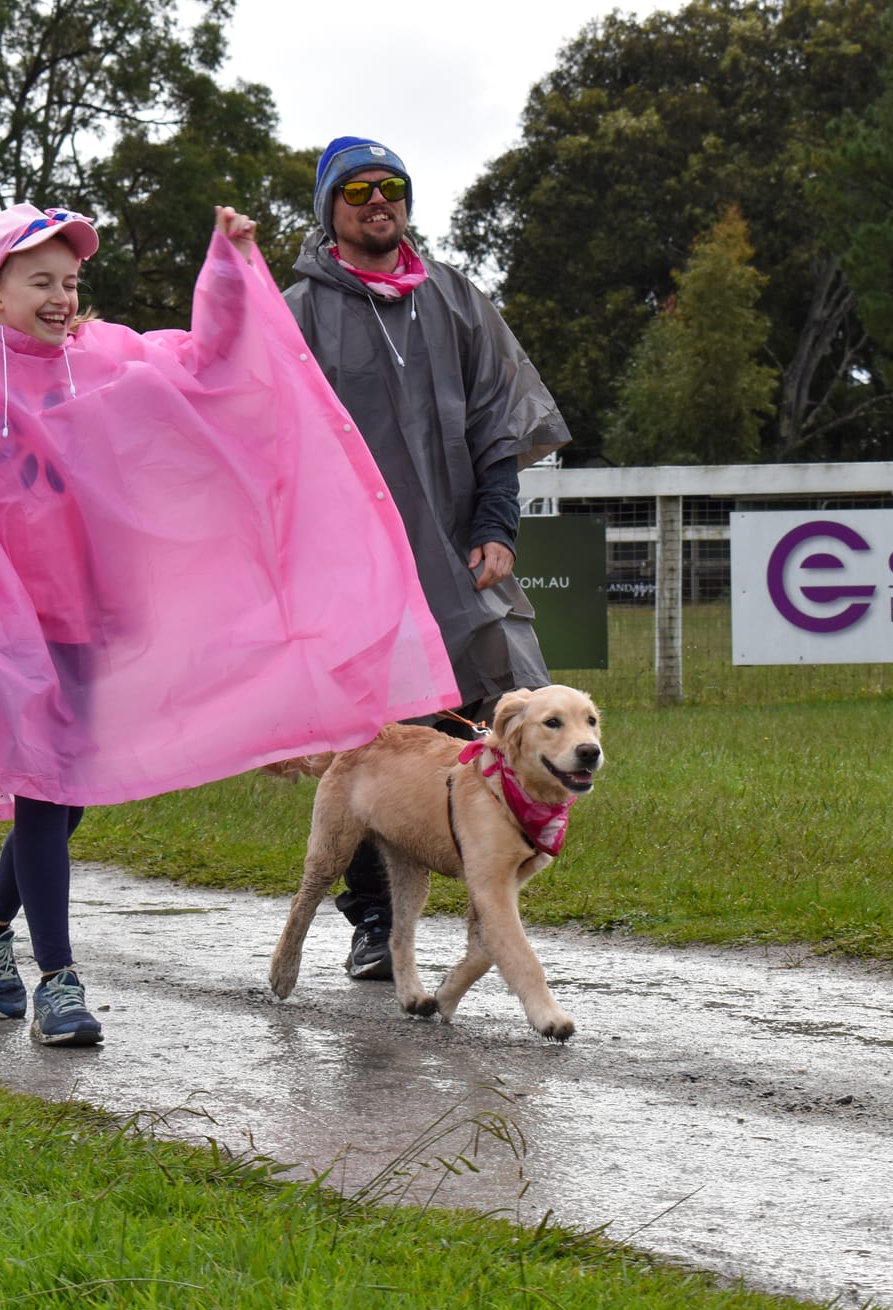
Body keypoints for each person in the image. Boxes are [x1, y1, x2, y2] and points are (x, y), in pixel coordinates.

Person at [0, 203, 459, 1047]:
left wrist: (226, 260)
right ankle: (59, 982)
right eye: (41, 281)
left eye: (71, 282)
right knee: (46, 792)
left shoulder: (103, 361)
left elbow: (214, 366)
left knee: (66, 797)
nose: (63, 297)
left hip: (90, 618)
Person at [283, 137, 570, 981]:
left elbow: (497, 422)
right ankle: (373, 920)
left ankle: (492, 899)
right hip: (351, 572)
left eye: (393, 186)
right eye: (358, 189)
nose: (379, 201)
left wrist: (497, 524)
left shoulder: (454, 299)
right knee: (368, 743)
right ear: (329, 209)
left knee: (492, 715)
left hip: (459, 558)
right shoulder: (298, 312)